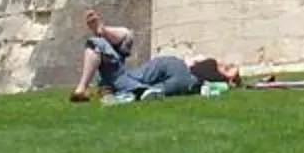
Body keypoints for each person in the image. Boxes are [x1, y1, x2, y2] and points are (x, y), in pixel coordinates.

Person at [103, 54, 241, 101]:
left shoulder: (215, 68)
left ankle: (116, 87)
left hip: (175, 65)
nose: (226, 65)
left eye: (228, 68)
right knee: (149, 91)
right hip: (185, 81)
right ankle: (121, 90)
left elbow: (191, 61)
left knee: (141, 76)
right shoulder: (217, 76)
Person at [70, 11, 137, 102]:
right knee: (97, 43)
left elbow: (126, 36)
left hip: (117, 73)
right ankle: (101, 31)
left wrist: (102, 31)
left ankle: (81, 89)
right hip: (111, 74)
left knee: (96, 42)